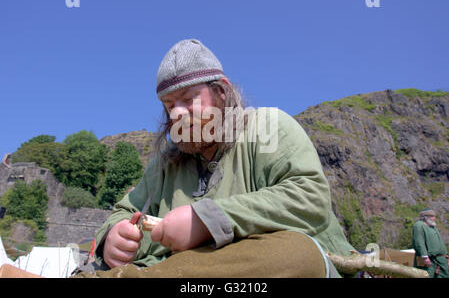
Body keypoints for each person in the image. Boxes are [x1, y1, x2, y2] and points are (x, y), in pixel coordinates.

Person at [75, 39, 354, 278]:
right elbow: (124, 212)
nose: (176, 114)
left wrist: (207, 220)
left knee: (296, 254)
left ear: (221, 92)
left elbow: (310, 198)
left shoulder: (268, 127)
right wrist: (112, 238)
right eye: (169, 105)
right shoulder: (165, 165)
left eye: (188, 99)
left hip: (272, 269)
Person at [412, 208, 449, 278]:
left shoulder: (433, 227)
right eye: (432, 216)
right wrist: (425, 257)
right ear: (425, 217)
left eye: (434, 216)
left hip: (440, 260)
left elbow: (441, 244)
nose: (434, 218)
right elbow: (419, 242)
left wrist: (446, 257)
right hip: (429, 260)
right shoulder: (419, 225)